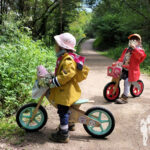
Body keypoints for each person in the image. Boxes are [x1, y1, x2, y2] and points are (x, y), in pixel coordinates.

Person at [48, 33, 89, 143]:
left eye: (56, 45)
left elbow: (67, 74)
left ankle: (63, 135)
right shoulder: (64, 58)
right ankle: (70, 124)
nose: (55, 47)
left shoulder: (68, 60)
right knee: (66, 110)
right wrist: (53, 74)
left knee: (63, 111)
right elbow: (63, 72)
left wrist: (55, 80)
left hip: (66, 91)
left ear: (62, 47)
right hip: (66, 90)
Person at [115, 34, 146, 104]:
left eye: (135, 40)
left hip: (132, 70)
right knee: (117, 77)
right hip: (124, 68)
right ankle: (115, 90)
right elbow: (122, 58)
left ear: (139, 42)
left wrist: (135, 48)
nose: (132, 41)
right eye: (131, 40)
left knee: (127, 81)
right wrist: (117, 62)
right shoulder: (127, 49)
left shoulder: (140, 50)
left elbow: (140, 56)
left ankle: (125, 97)